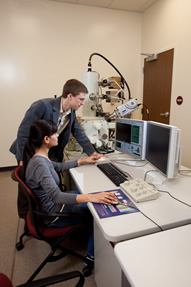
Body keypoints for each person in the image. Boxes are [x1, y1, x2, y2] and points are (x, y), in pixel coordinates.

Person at [22, 119, 117, 265]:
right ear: (46, 139)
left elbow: (58, 166)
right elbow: (57, 196)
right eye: (55, 133)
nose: (58, 136)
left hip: (48, 206)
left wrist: (83, 161)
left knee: (90, 195)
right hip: (52, 213)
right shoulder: (39, 164)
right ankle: (91, 257)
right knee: (97, 211)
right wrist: (92, 197)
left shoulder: (38, 157)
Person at [10, 79, 100, 220]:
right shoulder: (42, 106)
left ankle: (47, 209)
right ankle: (28, 217)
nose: (83, 103)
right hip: (28, 150)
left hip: (47, 151)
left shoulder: (71, 112)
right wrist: (22, 158)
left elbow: (78, 133)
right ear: (70, 96)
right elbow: (23, 132)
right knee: (27, 186)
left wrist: (93, 153)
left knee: (48, 181)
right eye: (81, 99)